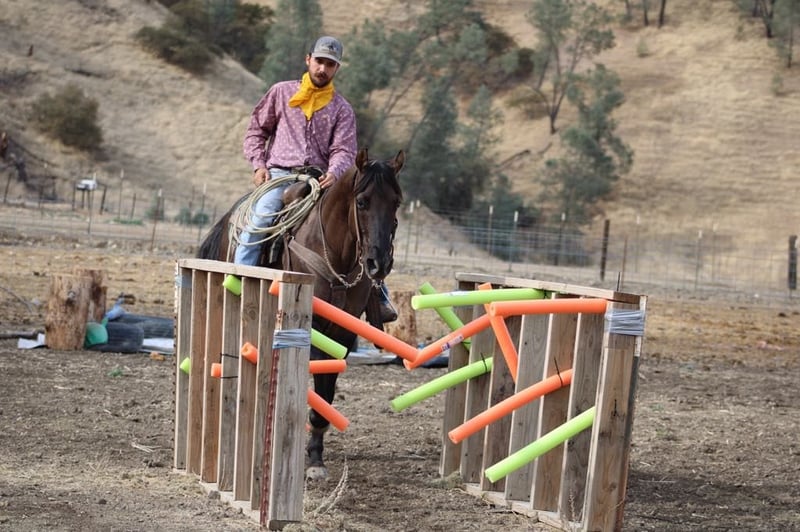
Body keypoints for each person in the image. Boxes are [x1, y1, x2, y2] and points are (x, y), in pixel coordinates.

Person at [231, 36, 397, 322]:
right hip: (281, 176)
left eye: (330, 64)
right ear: (308, 59)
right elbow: (257, 131)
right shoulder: (281, 93)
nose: (323, 69)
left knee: (360, 225)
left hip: (321, 180)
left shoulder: (342, 109)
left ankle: (377, 292)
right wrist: (258, 165)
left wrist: (334, 172)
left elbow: (344, 149)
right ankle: (240, 283)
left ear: (337, 68)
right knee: (261, 219)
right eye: (319, 61)